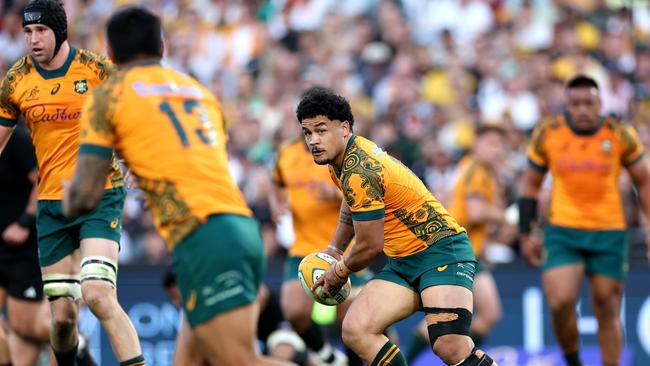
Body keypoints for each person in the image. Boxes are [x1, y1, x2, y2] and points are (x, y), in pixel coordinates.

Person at [62, 6, 292, 366]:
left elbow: (86, 193)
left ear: (110, 54)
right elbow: (193, 153)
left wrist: (67, 197)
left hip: (206, 237)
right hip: (234, 228)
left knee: (240, 362)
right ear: (163, 46)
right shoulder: (198, 92)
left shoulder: (108, 97)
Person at [298, 86, 496, 366]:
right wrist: (334, 248)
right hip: (403, 261)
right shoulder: (341, 160)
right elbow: (351, 201)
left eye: (321, 130)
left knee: (449, 346)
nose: (314, 140)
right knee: (357, 330)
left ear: (343, 128)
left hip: (442, 251)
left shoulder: (360, 168)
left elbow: (369, 246)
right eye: (308, 133)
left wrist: (338, 271)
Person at [0, 1, 144, 365]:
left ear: (60, 31)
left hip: (100, 195)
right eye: (28, 31)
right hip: (52, 207)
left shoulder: (97, 69)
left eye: (41, 30)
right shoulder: (16, 80)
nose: (32, 39)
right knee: (63, 317)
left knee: (97, 293)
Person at [519, 74, 650, 366]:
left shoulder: (619, 133)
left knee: (607, 306)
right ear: (566, 104)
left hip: (609, 231)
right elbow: (530, 185)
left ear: (599, 103)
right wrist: (526, 233)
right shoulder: (549, 133)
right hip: (562, 231)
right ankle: (574, 361)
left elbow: (644, 181)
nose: (582, 110)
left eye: (588, 103)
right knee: (560, 302)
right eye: (575, 103)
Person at [406, 126, 506, 363]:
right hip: (457, 251)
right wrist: (507, 216)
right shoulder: (475, 171)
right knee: (473, 315)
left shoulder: (477, 170)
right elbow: (476, 212)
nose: (496, 150)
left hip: (464, 251)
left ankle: (452, 359)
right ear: (477, 144)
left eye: (499, 144)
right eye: (491, 143)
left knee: (459, 316)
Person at [271, 137, 371, 366]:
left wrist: (333, 194)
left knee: (349, 321)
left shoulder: (339, 154)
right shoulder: (287, 154)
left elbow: (362, 191)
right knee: (294, 311)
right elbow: (275, 182)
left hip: (342, 249)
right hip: (303, 249)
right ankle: (330, 358)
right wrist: (276, 204)